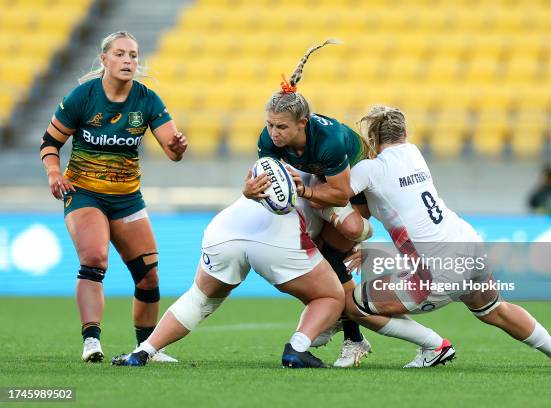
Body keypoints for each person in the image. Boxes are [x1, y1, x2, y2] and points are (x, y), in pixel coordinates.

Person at [337, 105, 551, 368]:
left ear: (373, 137)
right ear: (405, 133)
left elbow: (336, 193)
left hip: (438, 270)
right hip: (467, 242)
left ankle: (434, 346)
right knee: (495, 309)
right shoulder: (414, 154)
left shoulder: (370, 170)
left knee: (352, 303)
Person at [39, 31, 187, 363]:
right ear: (104, 59)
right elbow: (50, 143)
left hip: (127, 198)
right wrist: (53, 173)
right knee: (94, 259)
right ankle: (91, 340)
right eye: (120, 54)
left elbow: (172, 148)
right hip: (84, 193)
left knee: (149, 275)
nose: (128, 61)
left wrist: (177, 148)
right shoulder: (83, 97)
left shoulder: (147, 100)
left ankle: (147, 347)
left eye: (133, 55)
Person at [111, 170, 345, 368]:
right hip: (277, 241)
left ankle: (142, 352)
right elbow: (354, 228)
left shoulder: (273, 158)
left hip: (226, 230)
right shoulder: (331, 181)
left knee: (199, 298)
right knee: (330, 296)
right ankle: (297, 348)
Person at [244, 39, 374, 367]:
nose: (273, 133)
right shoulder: (268, 140)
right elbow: (274, 187)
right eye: (270, 125)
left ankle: (353, 338)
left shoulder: (328, 141)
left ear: (303, 123)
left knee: (345, 236)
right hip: (318, 184)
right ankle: (337, 321)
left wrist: (305, 194)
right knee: (310, 249)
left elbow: (342, 193)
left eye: (282, 127)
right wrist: (251, 192)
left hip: (356, 184)